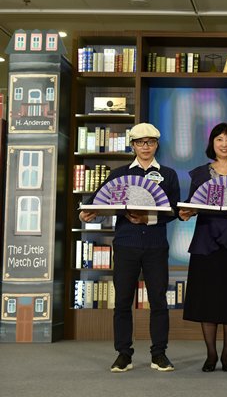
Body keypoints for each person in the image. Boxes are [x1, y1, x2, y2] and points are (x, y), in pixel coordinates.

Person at [79, 123, 180, 373]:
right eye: (140, 142)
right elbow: (95, 202)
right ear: (132, 145)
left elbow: (175, 210)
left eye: (150, 142)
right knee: (123, 300)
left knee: (158, 300)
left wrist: (148, 219)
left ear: (157, 145)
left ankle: (159, 354)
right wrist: (87, 214)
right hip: (126, 244)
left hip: (156, 245)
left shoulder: (169, 175)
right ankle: (123, 353)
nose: (145, 147)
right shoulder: (119, 174)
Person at [179, 122, 227, 373]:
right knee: (207, 301)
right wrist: (186, 212)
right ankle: (211, 354)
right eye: (220, 139)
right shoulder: (200, 174)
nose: (224, 144)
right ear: (212, 143)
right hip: (205, 243)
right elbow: (190, 204)